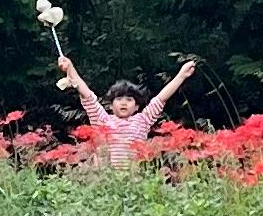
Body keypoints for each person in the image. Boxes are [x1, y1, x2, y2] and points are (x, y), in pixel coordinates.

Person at [54, 47, 197, 163]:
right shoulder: (102, 120)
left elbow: (161, 98)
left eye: (129, 100)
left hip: (133, 180)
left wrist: (181, 76)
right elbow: (87, 95)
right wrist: (70, 68)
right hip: (107, 180)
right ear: (110, 105)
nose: (123, 102)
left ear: (136, 107)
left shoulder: (143, 120)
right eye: (119, 99)